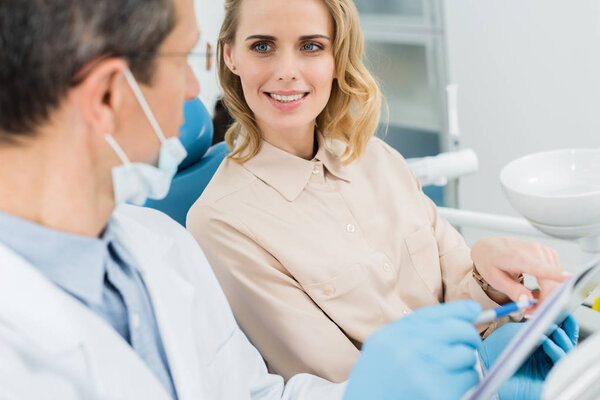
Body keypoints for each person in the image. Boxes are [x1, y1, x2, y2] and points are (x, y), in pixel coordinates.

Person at [0, 0, 549, 399]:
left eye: (312, 46)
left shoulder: (160, 250)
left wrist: (497, 288)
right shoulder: (214, 224)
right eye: (181, 62)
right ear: (108, 95)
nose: (196, 93)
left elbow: (255, 394)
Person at [186, 0, 573, 384]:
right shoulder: (221, 222)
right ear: (230, 55)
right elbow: (342, 379)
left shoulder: (378, 158)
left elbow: (470, 306)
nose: (287, 72)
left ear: (337, 57)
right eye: (262, 46)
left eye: (311, 46)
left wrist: (491, 275)